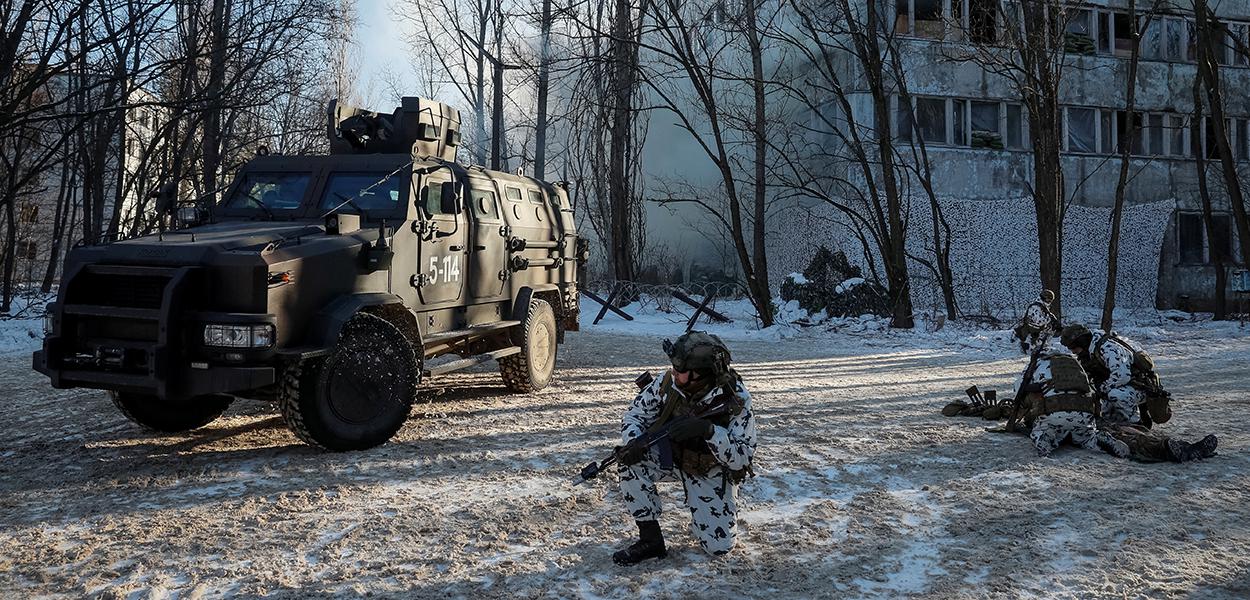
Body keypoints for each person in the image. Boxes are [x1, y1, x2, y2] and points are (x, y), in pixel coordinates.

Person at [612, 331, 757, 566]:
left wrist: (708, 431)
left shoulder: (736, 398)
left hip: (710, 467)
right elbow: (635, 415)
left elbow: (742, 457)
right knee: (629, 462)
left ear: (701, 374)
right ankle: (651, 541)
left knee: (719, 548)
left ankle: (704, 517)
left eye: (681, 370)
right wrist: (634, 441)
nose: (673, 373)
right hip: (671, 456)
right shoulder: (667, 383)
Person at [1059, 323, 1159, 426]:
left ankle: (1138, 425)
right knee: (1108, 417)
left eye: (1073, 347)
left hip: (1138, 387)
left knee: (1115, 396)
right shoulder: (1089, 352)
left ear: (1081, 342)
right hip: (1120, 386)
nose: (1072, 351)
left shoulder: (1109, 348)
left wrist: (1102, 389)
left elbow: (1122, 376)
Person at [1011, 290, 1061, 354]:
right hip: (1032, 328)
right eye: (1048, 300)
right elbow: (1039, 321)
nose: (1050, 302)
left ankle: (1040, 346)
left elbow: (1047, 315)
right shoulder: (1035, 307)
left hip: (1036, 329)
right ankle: (1030, 346)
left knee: (1048, 331)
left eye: (1051, 300)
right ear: (1044, 298)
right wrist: (1050, 321)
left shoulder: (1042, 306)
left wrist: (1054, 320)